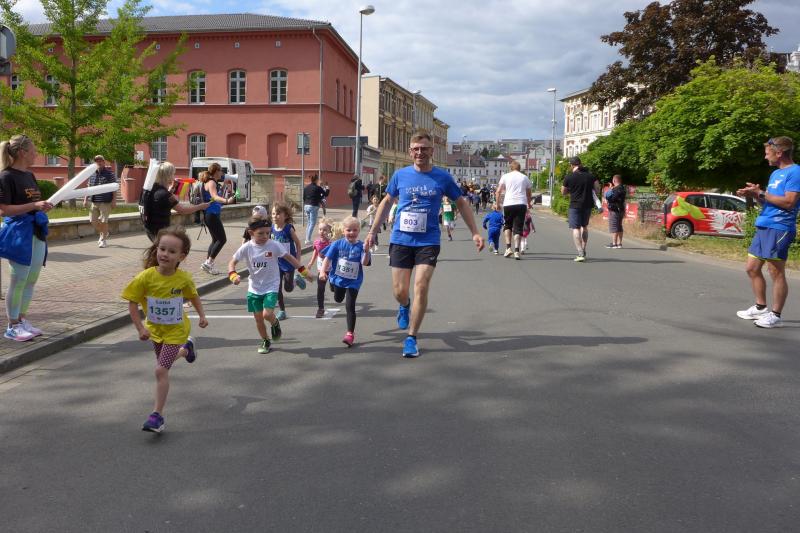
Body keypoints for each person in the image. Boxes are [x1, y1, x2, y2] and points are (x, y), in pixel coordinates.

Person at [364, 130, 484, 358]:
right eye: (416, 149)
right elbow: (386, 202)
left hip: (428, 240)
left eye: (424, 149)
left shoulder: (442, 177)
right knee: (400, 291)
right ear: (410, 152)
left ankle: (411, 337)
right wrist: (372, 231)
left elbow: (461, 203)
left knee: (420, 285)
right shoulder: (400, 175)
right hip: (401, 239)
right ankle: (404, 305)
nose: (420, 152)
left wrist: (475, 232)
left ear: (431, 151)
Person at [121, 226, 208, 433]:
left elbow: (193, 296)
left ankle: (157, 416)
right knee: (164, 365)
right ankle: (186, 350)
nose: (165, 254)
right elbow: (132, 302)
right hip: (155, 331)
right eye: (162, 249)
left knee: (160, 370)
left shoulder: (183, 279)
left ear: (181, 256)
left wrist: (202, 316)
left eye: (172, 251)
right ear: (156, 249)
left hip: (177, 330)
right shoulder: (145, 277)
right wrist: (140, 328)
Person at [735, 136, 800, 329]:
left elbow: (789, 202)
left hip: (779, 227)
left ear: (779, 153)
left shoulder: (795, 172)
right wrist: (756, 195)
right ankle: (760, 307)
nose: (765, 157)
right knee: (752, 268)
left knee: (775, 271)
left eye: (767, 153)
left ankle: (776, 315)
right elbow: (768, 201)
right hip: (764, 224)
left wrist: (761, 193)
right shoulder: (775, 174)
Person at [228, 217, 312, 354]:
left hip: (271, 286)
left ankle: (275, 323)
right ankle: (265, 340)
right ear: (251, 233)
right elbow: (232, 262)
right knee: (258, 319)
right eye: (260, 233)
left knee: (267, 314)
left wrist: (303, 271)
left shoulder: (273, 245)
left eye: (268, 233)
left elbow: (290, 258)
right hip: (254, 287)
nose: (265, 236)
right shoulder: (246, 247)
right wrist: (233, 275)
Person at [0, 135, 53, 342]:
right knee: (19, 279)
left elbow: (34, 204)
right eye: (33, 151)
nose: (36, 154)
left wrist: (42, 206)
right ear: (22, 153)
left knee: (31, 280)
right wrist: (34, 205)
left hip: (36, 231)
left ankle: (22, 320)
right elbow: (4, 210)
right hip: (19, 234)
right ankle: (12, 326)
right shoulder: (6, 177)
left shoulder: (30, 175)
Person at [319, 216, 371, 347]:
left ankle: (350, 334)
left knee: (350, 306)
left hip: (354, 281)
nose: (352, 233)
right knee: (338, 299)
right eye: (349, 230)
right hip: (338, 279)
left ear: (359, 231)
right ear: (343, 230)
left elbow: (364, 263)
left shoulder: (361, 246)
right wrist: (322, 272)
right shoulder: (337, 244)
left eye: (355, 230)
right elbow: (327, 258)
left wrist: (366, 251)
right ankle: (332, 283)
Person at [143, 162, 208, 242]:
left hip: (150, 228)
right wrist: (201, 206)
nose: (174, 176)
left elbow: (162, 199)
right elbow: (182, 210)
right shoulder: (164, 194)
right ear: (168, 176)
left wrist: (172, 188)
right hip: (160, 230)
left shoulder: (153, 188)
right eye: (173, 174)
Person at [561, 156, 600, 262]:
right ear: (580, 164)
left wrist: (571, 191)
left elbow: (563, 192)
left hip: (575, 205)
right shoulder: (591, 176)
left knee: (576, 228)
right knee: (584, 226)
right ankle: (584, 248)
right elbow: (597, 188)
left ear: (571, 165)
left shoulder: (569, 177)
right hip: (588, 204)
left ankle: (580, 252)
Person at [271, 202, 304, 320]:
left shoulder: (288, 229)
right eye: (273, 213)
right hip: (276, 263)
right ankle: (282, 311)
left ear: (285, 215)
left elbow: (298, 244)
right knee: (277, 287)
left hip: (289, 262)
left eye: (278, 214)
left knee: (288, 288)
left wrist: (298, 261)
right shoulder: (271, 228)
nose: (275, 216)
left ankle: (295, 280)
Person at [200, 163, 235, 275]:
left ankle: (208, 264)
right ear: (216, 171)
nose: (222, 173)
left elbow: (215, 197)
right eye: (220, 171)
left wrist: (225, 187)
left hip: (212, 214)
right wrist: (226, 201)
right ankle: (209, 263)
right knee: (222, 239)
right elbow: (214, 197)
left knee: (215, 240)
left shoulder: (213, 182)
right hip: (211, 214)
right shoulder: (211, 182)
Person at [496, 160, 532, 260]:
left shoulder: (505, 176)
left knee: (507, 225)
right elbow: (529, 193)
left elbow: (498, 191)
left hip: (508, 203)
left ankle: (508, 248)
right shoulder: (524, 177)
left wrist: (497, 204)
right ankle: (516, 251)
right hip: (521, 204)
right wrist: (529, 203)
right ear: (520, 168)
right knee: (518, 228)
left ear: (510, 168)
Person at [83, 155, 116, 248]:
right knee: (92, 221)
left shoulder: (110, 174)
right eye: (97, 161)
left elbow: (114, 188)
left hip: (105, 202)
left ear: (104, 162)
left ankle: (103, 240)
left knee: (103, 221)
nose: (99, 163)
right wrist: (85, 199)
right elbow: (89, 188)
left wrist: (114, 200)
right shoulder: (92, 174)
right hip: (94, 201)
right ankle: (104, 232)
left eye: (100, 161)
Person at [307, 218, 334, 318]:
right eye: (320, 229)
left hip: (331, 269)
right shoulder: (317, 242)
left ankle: (333, 285)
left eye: (324, 230)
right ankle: (320, 308)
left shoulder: (331, 243)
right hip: (321, 270)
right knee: (320, 289)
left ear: (329, 231)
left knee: (334, 288)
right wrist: (311, 263)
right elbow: (315, 253)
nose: (322, 232)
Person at [302, 174, 326, 244]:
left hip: (306, 206)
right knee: (312, 223)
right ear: (316, 180)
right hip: (313, 206)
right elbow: (325, 194)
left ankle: (307, 238)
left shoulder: (306, 187)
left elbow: (304, 197)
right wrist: (327, 188)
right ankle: (308, 240)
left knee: (309, 223)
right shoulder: (318, 188)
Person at [604, 174, 626, 249]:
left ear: (614, 180)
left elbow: (611, 198)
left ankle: (614, 244)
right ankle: (619, 243)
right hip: (621, 209)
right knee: (619, 226)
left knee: (614, 226)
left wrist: (610, 190)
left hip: (614, 210)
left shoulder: (616, 189)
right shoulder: (623, 188)